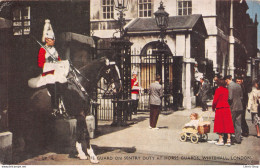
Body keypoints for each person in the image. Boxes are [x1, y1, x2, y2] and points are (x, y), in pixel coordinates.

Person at [38, 19, 67, 114]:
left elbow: (58, 60)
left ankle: (62, 104)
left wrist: (60, 63)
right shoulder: (43, 50)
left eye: (54, 39)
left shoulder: (54, 49)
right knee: (53, 85)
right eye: (52, 39)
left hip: (55, 71)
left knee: (64, 82)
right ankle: (54, 108)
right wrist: (49, 62)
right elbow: (40, 64)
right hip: (47, 72)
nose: (53, 41)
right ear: (47, 40)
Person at [212, 78, 234, 146]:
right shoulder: (226, 90)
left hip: (219, 108)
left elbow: (215, 100)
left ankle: (221, 140)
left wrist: (213, 107)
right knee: (228, 123)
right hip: (226, 107)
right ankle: (229, 140)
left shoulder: (218, 90)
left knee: (219, 123)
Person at [224, 75, 243, 144]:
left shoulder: (230, 86)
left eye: (225, 81)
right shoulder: (238, 85)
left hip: (233, 107)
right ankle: (238, 139)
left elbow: (230, 97)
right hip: (240, 106)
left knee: (231, 122)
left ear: (227, 80)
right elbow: (241, 97)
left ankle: (230, 138)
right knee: (238, 123)